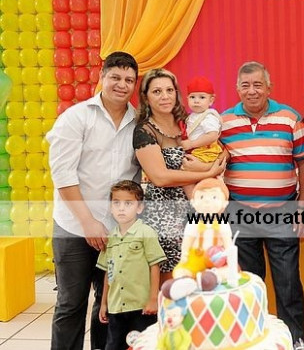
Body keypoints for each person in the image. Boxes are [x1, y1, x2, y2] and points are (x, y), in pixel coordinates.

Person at [48, 51, 140, 350]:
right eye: (115, 77)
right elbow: (63, 174)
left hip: (116, 231)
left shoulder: (139, 122)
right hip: (74, 226)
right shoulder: (76, 118)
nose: (122, 85)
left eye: (129, 80)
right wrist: (88, 221)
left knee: (108, 304)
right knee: (71, 303)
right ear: (102, 77)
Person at [220, 61, 304, 349]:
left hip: (282, 211)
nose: (252, 91)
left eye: (258, 85)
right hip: (239, 212)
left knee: (288, 283)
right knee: (248, 285)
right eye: (245, 85)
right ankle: (254, 341)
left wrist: (303, 206)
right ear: (237, 89)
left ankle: (296, 341)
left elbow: (303, 162)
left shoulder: (290, 118)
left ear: (269, 87)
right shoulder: (223, 122)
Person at [133, 68, 225, 284]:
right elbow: (160, 177)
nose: (164, 96)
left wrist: (208, 165)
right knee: (173, 284)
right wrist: (208, 172)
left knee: (201, 277)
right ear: (146, 97)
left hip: (198, 211)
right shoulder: (145, 130)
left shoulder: (189, 120)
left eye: (169, 90)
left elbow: (221, 149)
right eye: (157, 91)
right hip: (166, 216)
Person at [97, 180, 166, 350]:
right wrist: (104, 303)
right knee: (113, 345)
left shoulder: (146, 233)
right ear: (111, 207)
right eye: (116, 203)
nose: (121, 208)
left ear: (139, 207)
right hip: (116, 307)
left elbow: (155, 266)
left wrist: (153, 299)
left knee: (143, 345)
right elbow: (108, 272)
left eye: (128, 203)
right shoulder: (110, 237)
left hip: (141, 306)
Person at [182, 75, 222, 162]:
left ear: (211, 100)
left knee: (187, 166)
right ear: (187, 99)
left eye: (202, 97)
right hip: (194, 150)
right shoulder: (191, 116)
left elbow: (212, 136)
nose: (196, 101)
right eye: (192, 97)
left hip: (205, 152)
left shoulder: (209, 117)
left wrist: (191, 144)